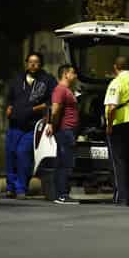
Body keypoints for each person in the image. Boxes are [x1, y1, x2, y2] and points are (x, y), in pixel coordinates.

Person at [5, 52, 57, 199]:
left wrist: (40, 110)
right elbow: (9, 98)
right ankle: (10, 187)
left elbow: (53, 101)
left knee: (23, 155)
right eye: (30, 62)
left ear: (41, 64)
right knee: (11, 155)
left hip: (31, 127)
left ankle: (21, 188)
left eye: (36, 62)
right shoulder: (17, 79)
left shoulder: (47, 80)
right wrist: (8, 107)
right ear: (26, 63)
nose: (33, 64)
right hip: (14, 124)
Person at [104, 56, 129, 207]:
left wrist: (109, 125)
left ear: (116, 67)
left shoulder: (116, 82)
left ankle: (121, 198)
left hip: (119, 125)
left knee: (119, 163)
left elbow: (112, 107)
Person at [46, 64, 80, 204]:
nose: (75, 76)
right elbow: (54, 110)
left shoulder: (67, 90)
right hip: (65, 131)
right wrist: (52, 124)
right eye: (73, 73)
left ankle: (58, 194)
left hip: (67, 130)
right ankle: (62, 194)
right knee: (65, 163)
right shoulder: (60, 90)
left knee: (62, 162)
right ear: (66, 74)